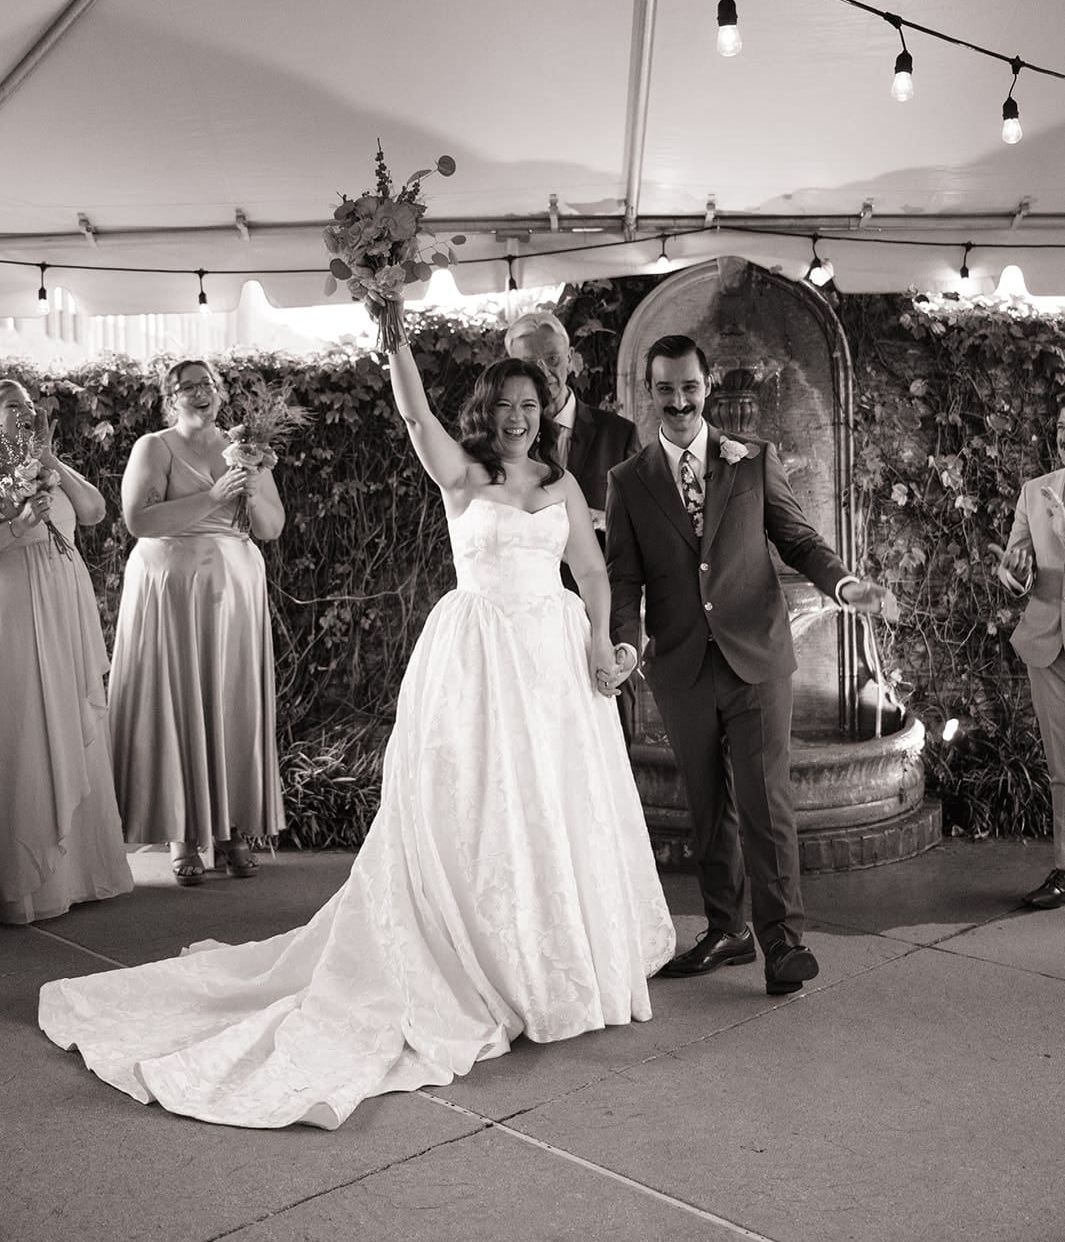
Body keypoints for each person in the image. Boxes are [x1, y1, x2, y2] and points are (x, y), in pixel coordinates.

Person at [38, 318, 674, 1129]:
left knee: (556, 807)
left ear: (545, 404)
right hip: (478, 659)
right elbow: (413, 417)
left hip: (553, 668)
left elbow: (589, 569)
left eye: (529, 401)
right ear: (487, 410)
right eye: (505, 403)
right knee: (478, 805)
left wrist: (598, 642)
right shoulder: (460, 472)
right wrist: (394, 331)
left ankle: (558, 964)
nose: (517, 414)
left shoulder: (564, 483)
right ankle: (477, 957)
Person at [605, 334, 896, 996]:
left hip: (756, 658)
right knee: (707, 809)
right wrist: (626, 641)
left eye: (688, 387)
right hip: (680, 665)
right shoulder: (627, 482)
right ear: (649, 394)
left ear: (705, 388)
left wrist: (844, 586)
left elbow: (797, 538)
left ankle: (782, 942)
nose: (678, 400)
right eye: (665, 389)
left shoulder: (752, 460)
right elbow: (624, 578)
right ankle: (725, 928)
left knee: (766, 803)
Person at [108, 359, 286, 886]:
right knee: (181, 701)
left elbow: (273, 527)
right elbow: (139, 521)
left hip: (235, 591)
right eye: (187, 386)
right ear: (170, 396)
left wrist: (251, 490)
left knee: (230, 704)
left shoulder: (246, 448)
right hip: (173, 592)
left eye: (207, 384)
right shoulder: (154, 447)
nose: (199, 393)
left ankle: (231, 830)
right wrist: (212, 497)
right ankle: (184, 835)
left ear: (220, 392)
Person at [0, 379, 133, 924]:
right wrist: (18, 522)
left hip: (64, 600)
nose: (25, 413)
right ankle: (27, 881)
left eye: (29, 406)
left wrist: (50, 459)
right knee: (29, 719)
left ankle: (79, 872)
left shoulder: (48, 464)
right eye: (12, 407)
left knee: (72, 715)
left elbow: (96, 511)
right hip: (14, 601)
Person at [505, 310, 641, 737]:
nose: (545, 372)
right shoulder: (503, 446)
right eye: (532, 364)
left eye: (553, 359)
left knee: (610, 744)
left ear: (572, 359)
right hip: (526, 626)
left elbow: (637, 534)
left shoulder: (618, 434)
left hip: (602, 612)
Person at [993, 405, 1065, 910]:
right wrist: (1014, 570)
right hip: (1048, 642)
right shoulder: (1033, 492)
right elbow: (1016, 570)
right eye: (1062, 429)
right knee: (1062, 766)